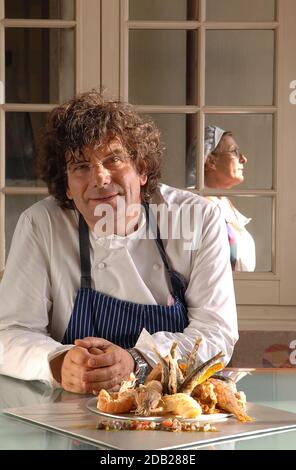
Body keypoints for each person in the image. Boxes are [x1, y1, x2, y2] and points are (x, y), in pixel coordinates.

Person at [0, 92, 238, 394]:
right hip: (73, 411)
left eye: (113, 159)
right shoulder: (41, 224)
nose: (99, 178)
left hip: (172, 412)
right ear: (67, 187)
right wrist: (58, 362)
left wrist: (136, 361)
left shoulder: (198, 218)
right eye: (81, 166)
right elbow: (9, 332)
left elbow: (216, 332)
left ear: (141, 169)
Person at [187, 125, 256, 271]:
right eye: (234, 152)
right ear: (210, 161)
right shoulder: (192, 204)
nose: (243, 159)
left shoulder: (224, 204)